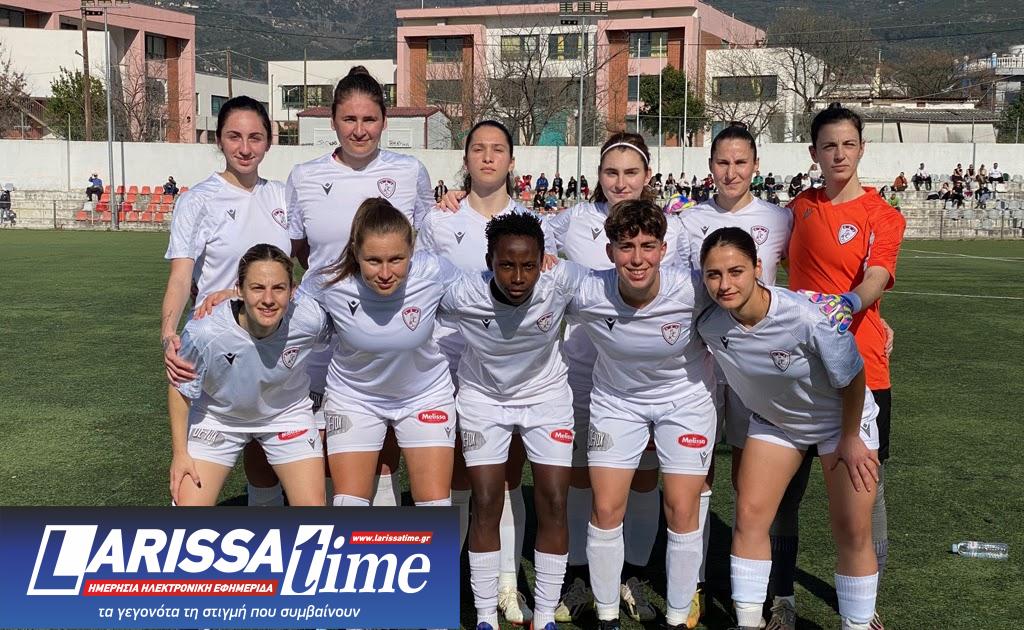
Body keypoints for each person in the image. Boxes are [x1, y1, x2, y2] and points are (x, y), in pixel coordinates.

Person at [697, 227, 881, 630]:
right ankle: (749, 623)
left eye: (736, 271)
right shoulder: (709, 323)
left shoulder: (806, 316)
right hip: (777, 422)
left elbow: (852, 376)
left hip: (842, 421)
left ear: (758, 268)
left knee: (851, 528)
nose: (725, 284)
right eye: (713, 274)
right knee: (749, 515)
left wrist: (851, 437)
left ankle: (857, 623)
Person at [542, 132, 685, 625]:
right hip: (585, 370)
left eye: (630, 173)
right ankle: (583, 576)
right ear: (598, 176)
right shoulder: (572, 220)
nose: (620, 183)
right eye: (611, 172)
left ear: (647, 176)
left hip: (652, 378)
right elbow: (516, 234)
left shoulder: (672, 226)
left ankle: (634, 576)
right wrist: (458, 196)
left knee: (644, 477)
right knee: (585, 475)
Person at [285, 65, 434, 508]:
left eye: (369, 119)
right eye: (349, 119)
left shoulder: (409, 171)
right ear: (332, 120)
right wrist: (335, 290)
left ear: (384, 121)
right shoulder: (304, 176)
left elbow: (428, 238)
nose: (359, 129)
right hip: (321, 331)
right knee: (323, 449)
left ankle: (380, 537)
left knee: (384, 452)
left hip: (387, 325)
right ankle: (337, 538)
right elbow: (298, 249)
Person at [567, 199, 713, 630]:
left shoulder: (693, 288)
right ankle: (607, 617)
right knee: (607, 507)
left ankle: (676, 619)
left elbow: (754, 300)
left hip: (685, 401)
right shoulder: (588, 289)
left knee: (682, 508)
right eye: (626, 246)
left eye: (648, 246)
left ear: (664, 249)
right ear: (609, 251)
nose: (637, 258)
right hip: (617, 402)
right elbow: (528, 285)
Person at [787, 103, 906, 630]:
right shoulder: (797, 209)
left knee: (867, 490)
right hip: (797, 371)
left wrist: (852, 305)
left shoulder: (883, 214)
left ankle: (864, 600)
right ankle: (781, 597)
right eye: (829, 145)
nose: (839, 154)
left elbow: (877, 275)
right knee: (787, 490)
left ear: (862, 149)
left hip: (864, 369)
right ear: (813, 153)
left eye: (848, 144)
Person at [440, 212, 585, 630]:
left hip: (546, 399)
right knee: (486, 501)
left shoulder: (561, 281)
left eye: (528, 265)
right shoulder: (462, 293)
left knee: (554, 500)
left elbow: (617, 284)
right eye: (506, 265)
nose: (518, 277)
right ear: (489, 261)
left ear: (544, 261)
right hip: (484, 400)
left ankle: (545, 616)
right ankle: (486, 615)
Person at [675, 123, 793, 629]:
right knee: (698, 475)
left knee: (751, 481)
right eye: (722, 162)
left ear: (756, 166)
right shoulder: (687, 221)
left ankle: (752, 592)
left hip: (755, 368)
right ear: (710, 167)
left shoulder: (780, 218)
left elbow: (808, 282)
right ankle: (695, 583)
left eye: (740, 162)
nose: (731, 171)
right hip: (701, 364)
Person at [424, 120, 536, 625]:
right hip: (446, 362)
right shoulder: (438, 219)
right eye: (478, 149)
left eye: (498, 149)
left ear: (511, 160)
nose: (488, 157)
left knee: (506, 478)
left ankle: (507, 586)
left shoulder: (531, 221)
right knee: (457, 477)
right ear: (465, 158)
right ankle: (448, 582)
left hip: (506, 370)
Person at [161, 96, 291, 507]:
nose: (245, 148)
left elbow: (311, 263)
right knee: (191, 490)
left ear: (269, 141)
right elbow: (181, 277)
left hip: (272, 346)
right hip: (216, 349)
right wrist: (168, 334)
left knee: (265, 465)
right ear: (219, 140)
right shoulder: (197, 200)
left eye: (255, 137)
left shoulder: (284, 197)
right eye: (234, 136)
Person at [304, 198, 458, 510]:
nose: (386, 272)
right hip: (354, 398)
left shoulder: (433, 271)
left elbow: (487, 294)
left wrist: (546, 267)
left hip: (425, 396)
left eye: (396, 259)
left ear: (412, 251)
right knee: (349, 505)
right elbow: (278, 306)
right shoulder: (328, 281)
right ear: (355, 252)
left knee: (435, 507)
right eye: (373, 260)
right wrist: (234, 297)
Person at [169, 244, 330, 507]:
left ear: (293, 290)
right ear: (240, 290)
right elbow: (180, 390)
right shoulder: (205, 331)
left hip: (286, 415)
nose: (268, 299)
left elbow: (346, 330)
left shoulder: (309, 319)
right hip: (217, 418)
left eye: (279, 288)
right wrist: (180, 454)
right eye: (257, 288)